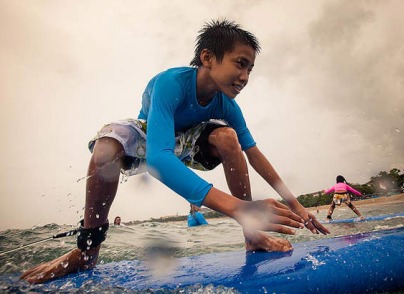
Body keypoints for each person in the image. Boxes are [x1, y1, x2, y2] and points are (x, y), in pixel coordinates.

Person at [21, 19, 329, 284]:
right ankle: (87, 251)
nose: (245, 76)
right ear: (208, 57)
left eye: (250, 68)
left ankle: (252, 236)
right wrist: (235, 206)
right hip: (149, 137)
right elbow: (158, 157)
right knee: (106, 146)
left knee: (227, 137)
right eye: (239, 63)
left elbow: (254, 154)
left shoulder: (227, 105)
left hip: (188, 143)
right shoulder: (171, 83)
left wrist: (296, 205)